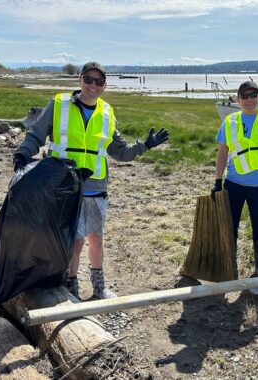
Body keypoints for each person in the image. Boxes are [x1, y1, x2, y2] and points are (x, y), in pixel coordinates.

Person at [13, 62, 169, 300]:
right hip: (64, 187)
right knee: (73, 241)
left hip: (96, 187)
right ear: (79, 80)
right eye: (88, 79)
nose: (93, 85)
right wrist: (24, 152)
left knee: (96, 238)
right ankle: (71, 287)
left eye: (99, 81)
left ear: (104, 86)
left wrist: (145, 145)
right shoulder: (58, 105)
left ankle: (98, 288)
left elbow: (119, 151)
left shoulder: (106, 112)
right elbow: (35, 134)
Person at [211, 81, 258, 284]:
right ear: (238, 100)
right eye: (244, 96)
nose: (249, 100)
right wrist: (218, 181)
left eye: (253, 95)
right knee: (230, 228)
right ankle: (229, 269)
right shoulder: (230, 121)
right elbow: (222, 152)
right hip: (233, 184)